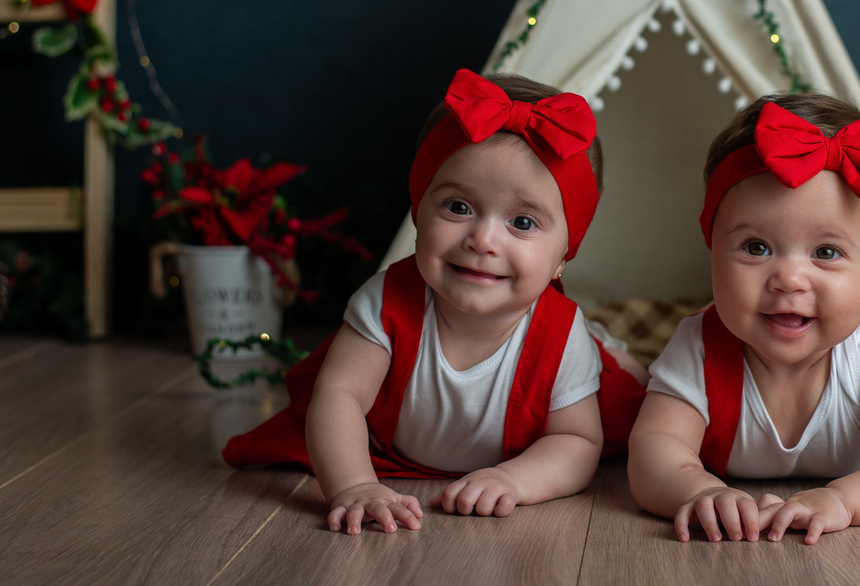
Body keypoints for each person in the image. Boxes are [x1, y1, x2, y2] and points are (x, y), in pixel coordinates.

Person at [223, 68, 647, 534]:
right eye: (458, 207)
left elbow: (577, 440)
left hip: (552, 374)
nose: (483, 239)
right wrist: (354, 486)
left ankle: (612, 350)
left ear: (562, 259)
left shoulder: (562, 336)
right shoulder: (386, 301)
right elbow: (338, 397)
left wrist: (515, 478)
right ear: (419, 213)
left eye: (522, 222)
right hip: (392, 447)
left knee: (630, 393)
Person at [627, 93, 860, 545]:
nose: (790, 280)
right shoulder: (700, 346)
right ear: (712, 246)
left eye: (826, 252)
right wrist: (698, 489)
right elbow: (652, 446)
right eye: (756, 247)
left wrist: (844, 499)